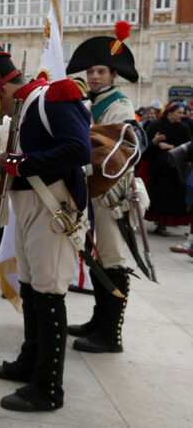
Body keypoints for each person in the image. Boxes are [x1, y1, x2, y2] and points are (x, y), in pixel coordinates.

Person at [0, 44, 92, 412]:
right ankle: (30, 360)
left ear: (1, 87)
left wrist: (17, 163)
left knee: (49, 292)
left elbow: (78, 150)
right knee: (33, 287)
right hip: (29, 205)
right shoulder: (26, 106)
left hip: (53, 204)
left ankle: (48, 386)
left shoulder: (53, 97)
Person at [64, 22, 139, 353]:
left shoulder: (119, 105)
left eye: (100, 71)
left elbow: (117, 148)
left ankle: (111, 334)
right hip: (96, 190)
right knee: (97, 256)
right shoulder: (94, 102)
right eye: (91, 71)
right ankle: (98, 321)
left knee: (112, 259)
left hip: (112, 193)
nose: (93, 76)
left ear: (113, 75)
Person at [142, 102, 192, 236]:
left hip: (176, 170)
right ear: (170, 113)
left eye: (182, 113)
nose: (182, 115)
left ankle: (172, 221)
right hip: (159, 170)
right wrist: (155, 141)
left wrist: (171, 147)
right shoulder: (156, 125)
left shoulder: (184, 127)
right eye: (179, 112)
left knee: (174, 197)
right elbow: (145, 147)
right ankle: (161, 224)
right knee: (160, 197)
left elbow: (188, 146)